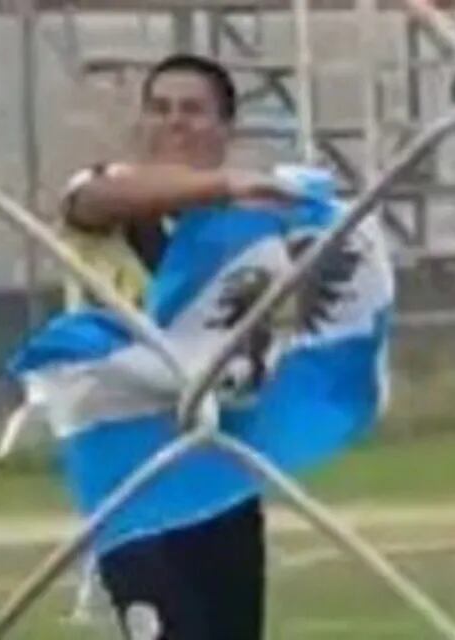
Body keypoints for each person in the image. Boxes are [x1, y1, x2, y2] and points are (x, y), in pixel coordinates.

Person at [59, 53, 295, 640]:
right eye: (160, 108)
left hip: (222, 477)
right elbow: (94, 202)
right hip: (133, 479)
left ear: (225, 128)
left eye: (193, 110)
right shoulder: (105, 195)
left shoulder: (251, 229)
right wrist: (225, 185)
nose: (174, 122)